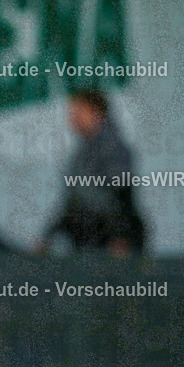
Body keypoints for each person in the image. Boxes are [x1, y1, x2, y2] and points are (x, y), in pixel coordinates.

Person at [37, 89, 147, 255]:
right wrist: (49, 235)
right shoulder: (84, 152)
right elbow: (75, 202)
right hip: (90, 242)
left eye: (79, 111)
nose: (72, 118)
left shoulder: (112, 147)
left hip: (110, 245)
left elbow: (122, 193)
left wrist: (121, 236)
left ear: (96, 112)